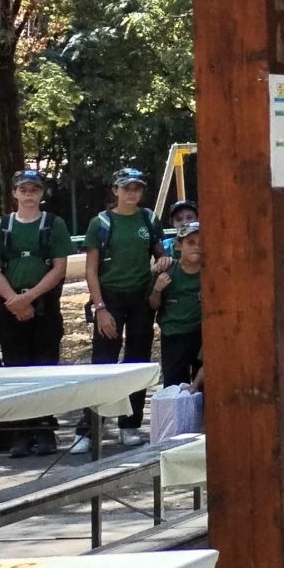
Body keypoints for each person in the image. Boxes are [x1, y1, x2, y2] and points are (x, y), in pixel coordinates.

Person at [0, 170, 71, 450]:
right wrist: (14, 300)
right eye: (23, 190)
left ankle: (45, 429)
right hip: (10, 307)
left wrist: (30, 298)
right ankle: (21, 432)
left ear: (41, 193)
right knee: (16, 369)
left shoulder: (53, 224)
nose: (29, 195)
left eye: (34, 189)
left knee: (44, 367)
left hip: (44, 305)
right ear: (14, 193)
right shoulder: (2, 226)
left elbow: (59, 269)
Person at [84, 167, 161, 437]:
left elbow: (159, 253)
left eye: (137, 188)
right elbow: (91, 270)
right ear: (115, 190)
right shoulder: (102, 223)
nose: (132, 193)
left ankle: (130, 424)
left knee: (137, 362)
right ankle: (90, 429)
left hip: (140, 298)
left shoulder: (149, 218)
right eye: (126, 188)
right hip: (110, 297)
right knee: (103, 362)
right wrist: (100, 308)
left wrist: (163, 262)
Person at [146, 221, 205, 388]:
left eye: (201, 243)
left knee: (204, 388)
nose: (196, 247)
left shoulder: (211, 274)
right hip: (174, 337)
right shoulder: (169, 271)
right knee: (175, 388)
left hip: (202, 337)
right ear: (179, 246)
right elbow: (153, 305)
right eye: (190, 243)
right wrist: (157, 289)